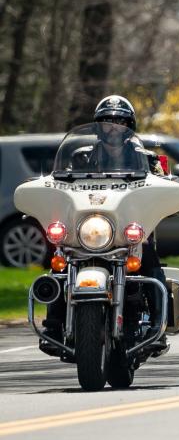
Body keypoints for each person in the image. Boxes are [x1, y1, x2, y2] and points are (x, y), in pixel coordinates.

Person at [43, 95, 170, 350]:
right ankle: (54, 326)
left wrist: (167, 189)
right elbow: (59, 184)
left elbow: (165, 185)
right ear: (98, 126)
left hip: (129, 230)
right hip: (89, 228)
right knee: (60, 264)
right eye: (107, 122)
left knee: (150, 263)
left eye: (119, 121)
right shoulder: (80, 157)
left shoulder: (146, 158)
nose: (114, 126)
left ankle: (159, 326)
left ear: (129, 125)